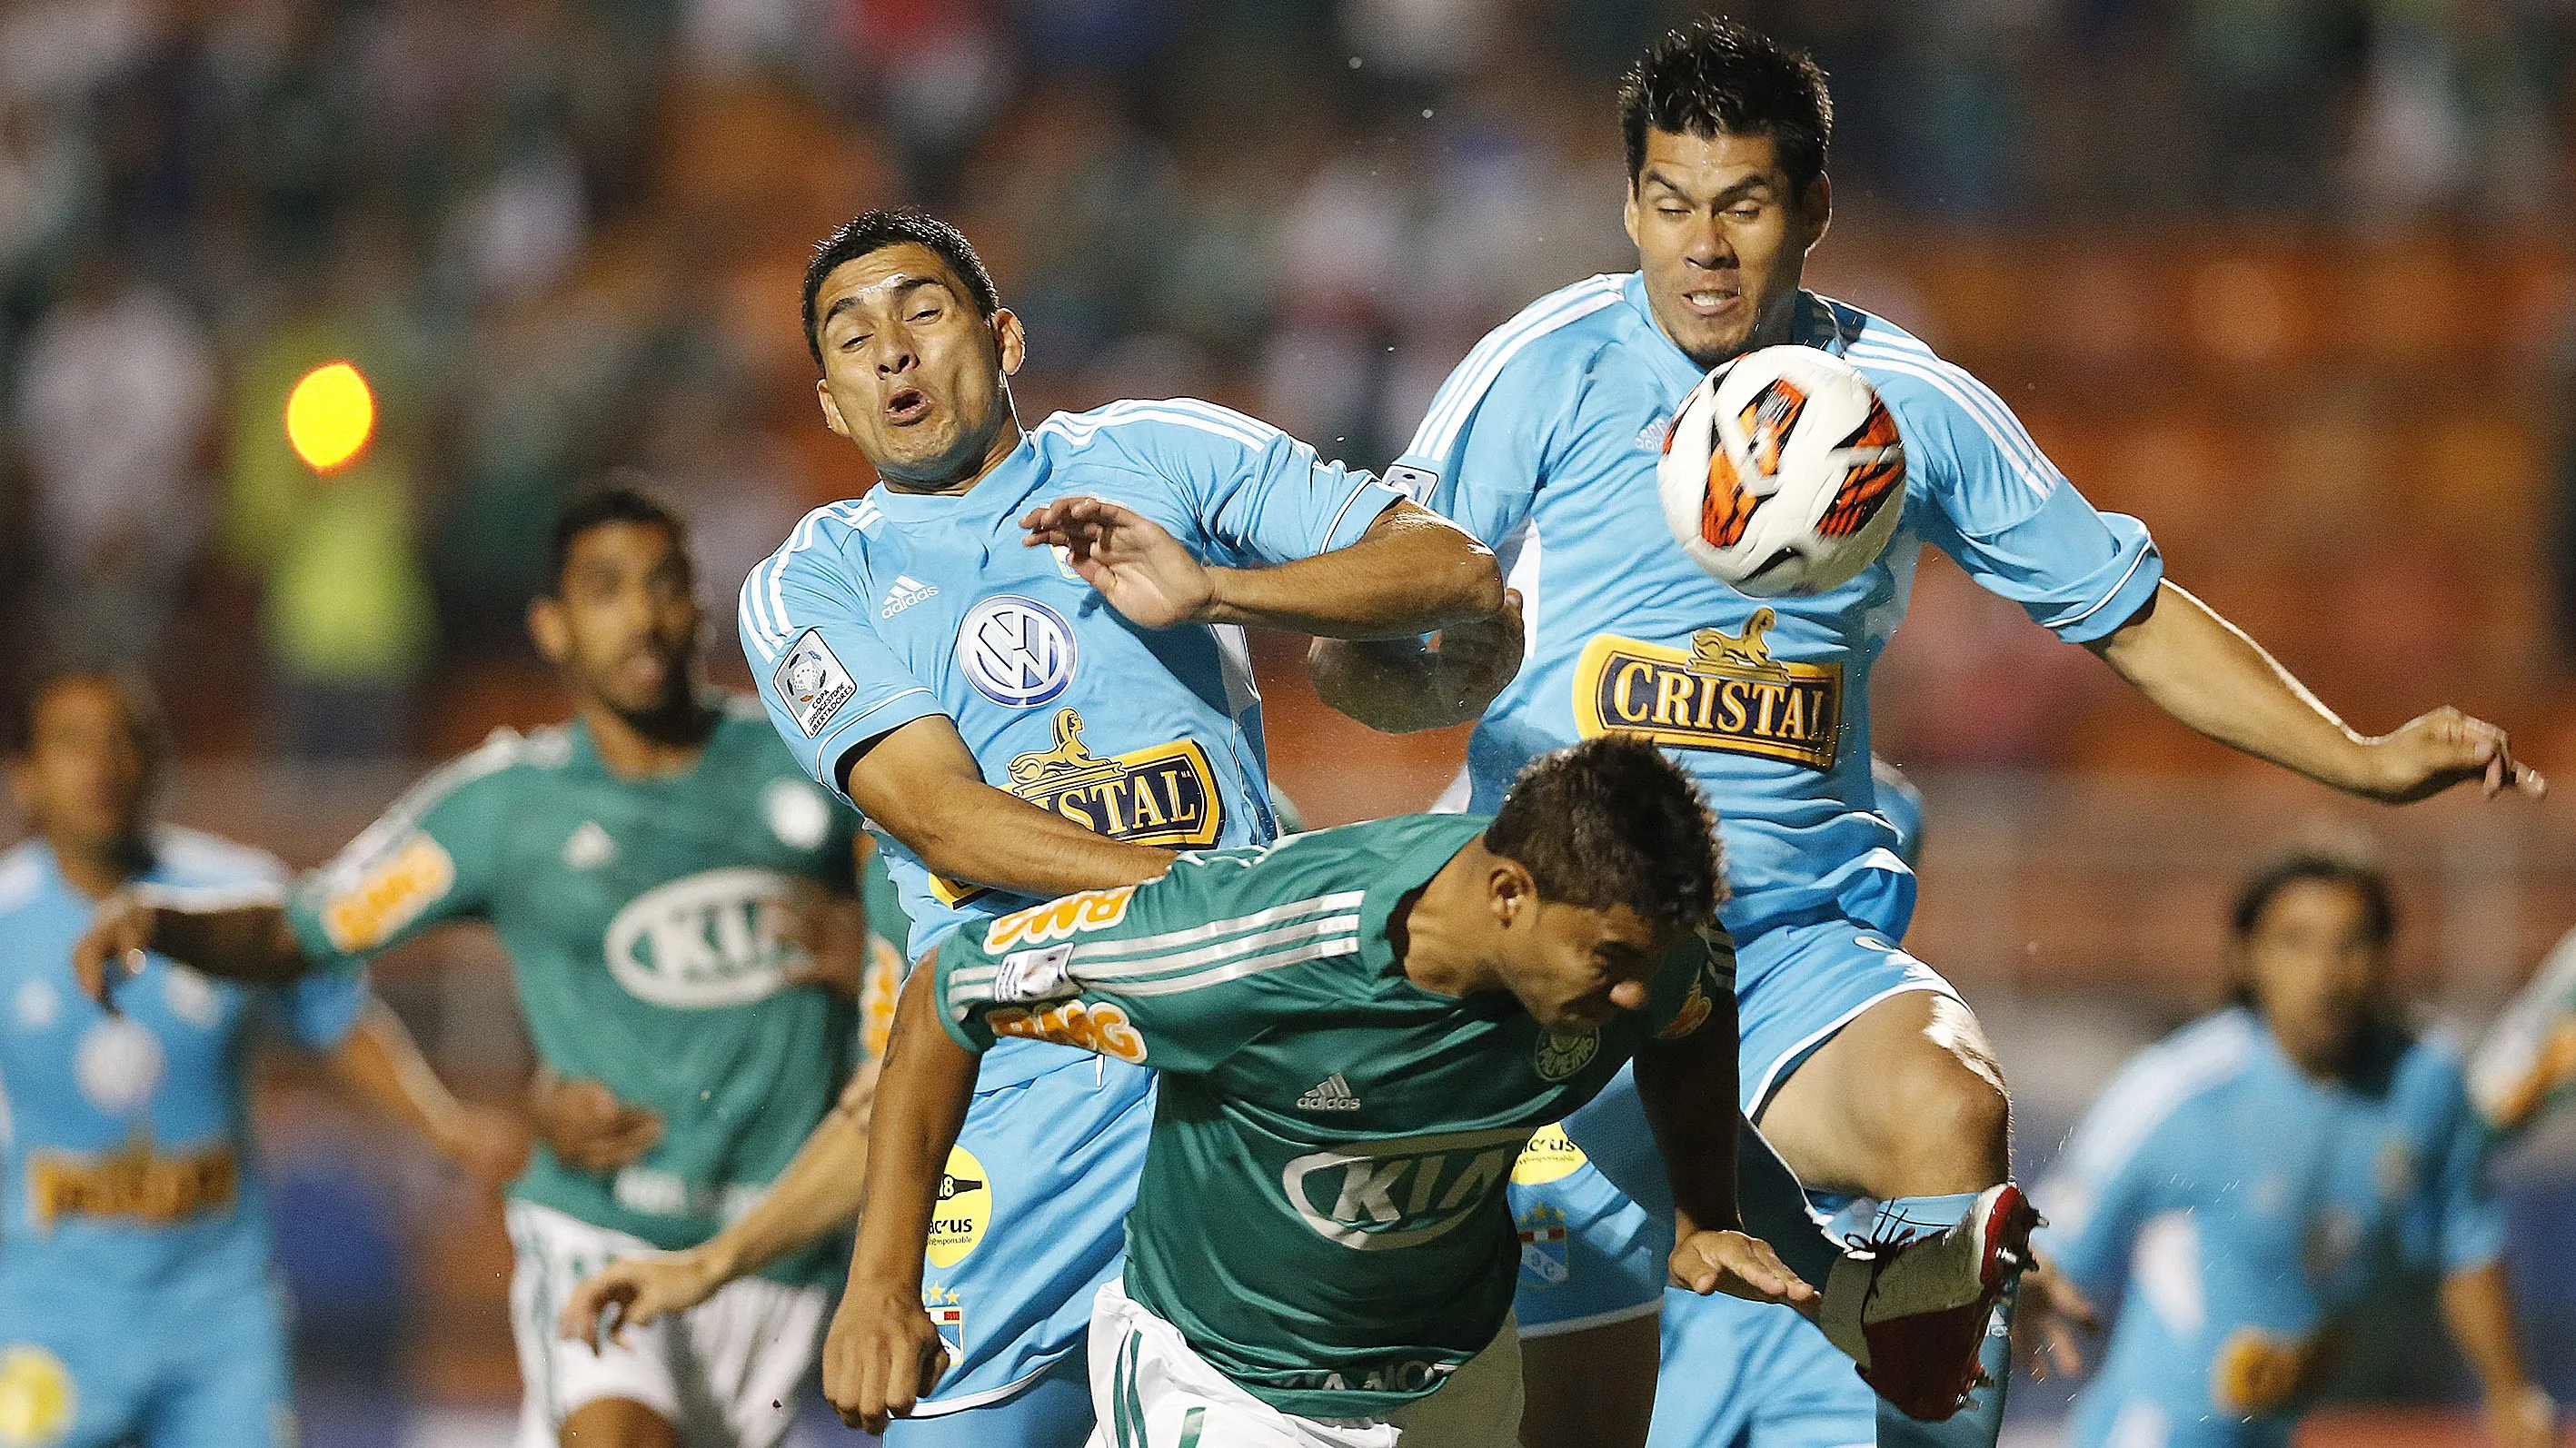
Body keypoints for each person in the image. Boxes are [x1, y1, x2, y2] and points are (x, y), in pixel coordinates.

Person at [1311, 17, 2542, 1448]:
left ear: (1813, 209)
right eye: (1668, 203)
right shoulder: (1541, 366)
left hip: (1774, 951)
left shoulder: (1908, 410)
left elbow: (2127, 614)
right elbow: (1381, 626)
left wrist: (2358, 757)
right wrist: (1390, 673)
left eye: (1742, 205)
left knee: (1948, 1111)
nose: (1701, 248)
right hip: (1543, 959)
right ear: (1627, 205)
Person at [724, 206, 1508, 1445]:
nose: (893, 351)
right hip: (1023, 1083)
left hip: (1237, 1073)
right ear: (830, 404)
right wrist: (1219, 899)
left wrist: (1215, 589)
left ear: (1004, 337)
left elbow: (1453, 571)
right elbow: (948, 821)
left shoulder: (1157, 451)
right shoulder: (811, 582)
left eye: (922, 311)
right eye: (854, 339)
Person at [75, 491, 890, 1448]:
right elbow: (310, 930)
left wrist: (869, 954)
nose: (642, 615)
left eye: (666, 584)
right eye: (607, 590)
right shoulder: (504, 810)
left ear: (703, 608)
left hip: (783, 1249)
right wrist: (161, 922)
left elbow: (934, 925)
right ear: (552, 627)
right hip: (601, 1225)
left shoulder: (808, 763)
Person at [836, 736, 1813, 1446]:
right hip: (1234, 1388)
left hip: (1457, 1375)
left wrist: (1704, 1214)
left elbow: (1695, 1005)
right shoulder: (1241, 946)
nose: (1636, 993)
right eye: (1614, 962)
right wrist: (882, 1284)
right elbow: (951, 988)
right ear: (1509, 895)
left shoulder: (1639, 948)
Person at [2, 666, 522, 1448]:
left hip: (219, 1324)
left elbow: (338, 1020)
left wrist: (442, 1123)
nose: (102, 764)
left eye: (126, 739)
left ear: (159, 762)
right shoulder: (6, 921)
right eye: (73, 743)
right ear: (26, 775)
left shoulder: (236, 898)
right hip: (49, 1321)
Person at [2022, 851, 2557, 1448]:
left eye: (2350, 943)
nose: (2325, 973)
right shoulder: (2179, 1089)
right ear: (2246, 957)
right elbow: (2050, 1239)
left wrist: (2511, 1394)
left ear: (2385, 956)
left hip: (2294, 1432)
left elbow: (2465, 1242)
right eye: (2295, 943)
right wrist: (2025, 1279)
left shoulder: (2424, 1083)